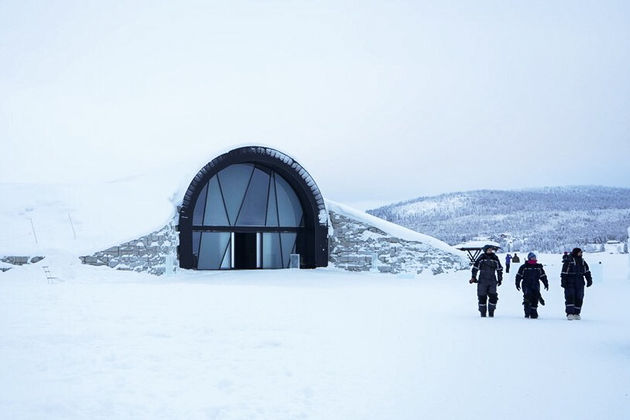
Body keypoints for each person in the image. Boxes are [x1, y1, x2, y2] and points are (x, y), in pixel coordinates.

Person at [469, 245, 503, 317]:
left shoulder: (495, 258)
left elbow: (499, 269)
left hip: (492, 281)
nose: (490, 251)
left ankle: (491, 312)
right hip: (482, 281)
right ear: (485, 250)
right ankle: (483, 314)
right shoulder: (481, 258)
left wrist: (500, 279)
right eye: (489, 250)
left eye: (491, 250)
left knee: (493, 297)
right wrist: (473, 277)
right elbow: (475, 268)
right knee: (482, 297)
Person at [561, 247, 593, 320]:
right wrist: (563, 281)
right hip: (570, 281)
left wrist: (589, 280)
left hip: (580, 282)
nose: (581, 253)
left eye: (581, 252)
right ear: (576, 252)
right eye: (580, 252)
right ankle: (570, 313)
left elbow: (587, 272)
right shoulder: (569, 260)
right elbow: (564, 272)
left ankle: (577, 313)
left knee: (579, 297)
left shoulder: (582, 261)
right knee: (570, 296)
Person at [515, 252, 549, 319]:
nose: (534, 258)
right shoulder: (524, 267)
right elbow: (518, 276)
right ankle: (527, 312)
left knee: (535, 297)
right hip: (526, 284)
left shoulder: (538, 267)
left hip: (536, 284)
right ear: (529, 258)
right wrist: (517, 283)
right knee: (527, 296)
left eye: (535, 257)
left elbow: (543, 276)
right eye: (533, 257)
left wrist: (546, 283)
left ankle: (534, 312)